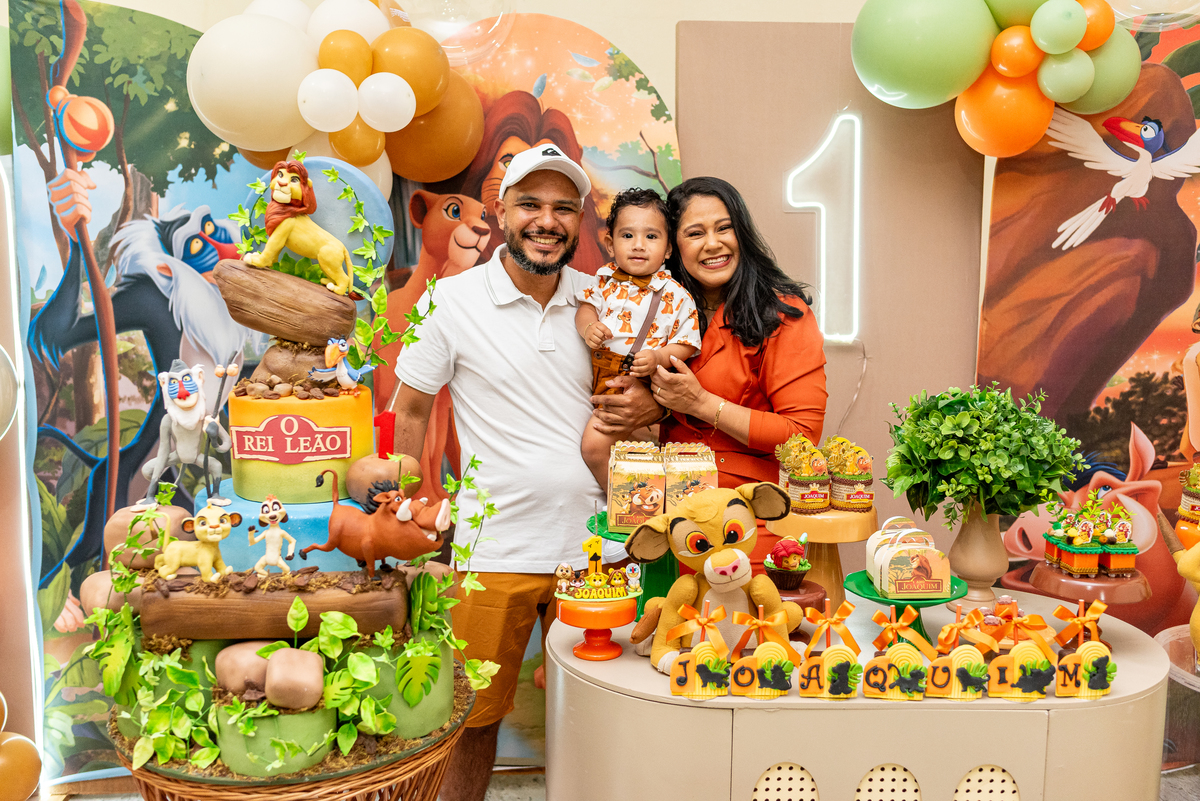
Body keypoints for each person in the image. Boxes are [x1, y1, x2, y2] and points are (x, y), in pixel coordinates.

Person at [387, 145, 660, 801]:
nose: (547, 220)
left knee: (609, 721)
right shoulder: (447, 301)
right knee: (472, 722)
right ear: (503, 210)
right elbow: (412, 411)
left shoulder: (606, 303)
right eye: (531, 204)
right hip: (494, 548)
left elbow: (641, 414)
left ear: (581, 222)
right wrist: (410, 511)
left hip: (603, 550)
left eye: (563, 207)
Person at [650, 176, 828, 569]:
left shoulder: (784, 313)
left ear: (742, 234)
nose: (713, 244)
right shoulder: (659, 310)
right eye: (695, 233)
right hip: (665, 521)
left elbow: (802, 437)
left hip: (747, 521)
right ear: (673, 248)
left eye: (724, 228)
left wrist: (701, 403)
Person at [575, 188, 701, 489]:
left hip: (641, 382)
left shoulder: (677, 295)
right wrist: (588, 328)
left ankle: (629, 503)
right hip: (599, 374)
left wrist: (658, 357)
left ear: (669, 249)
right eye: (627, 236)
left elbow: (687, 342)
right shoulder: (603, 281)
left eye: (651, 237)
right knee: (627, 446)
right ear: (610, 243)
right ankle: (639, 496)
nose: (639, 245)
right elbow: (585, 309)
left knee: (594, 446)